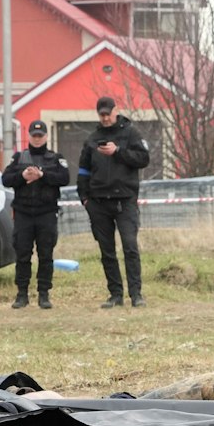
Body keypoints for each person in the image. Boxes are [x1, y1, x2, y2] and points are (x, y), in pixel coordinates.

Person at [78, 96, 152, 308]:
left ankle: (136, 294)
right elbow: (83, 171)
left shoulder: (131, 133)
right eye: (101, 115)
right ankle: (115, 294)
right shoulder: (92, 139)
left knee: (130, 246)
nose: (105, 118)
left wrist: (118, 152)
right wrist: (84, 198)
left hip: (125, 201)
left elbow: (143, 159)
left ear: (115, 111)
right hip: (98, 203)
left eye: (108, 114)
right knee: (106, 251)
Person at [1, 119, 70, 309]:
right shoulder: (18, 158)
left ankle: (44, 294)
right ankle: (22, 294)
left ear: (46, 137)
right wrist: (22, 177)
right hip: (23, 213)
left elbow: (64, 178)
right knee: (22, 254)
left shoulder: (55, 158)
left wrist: (42, 176)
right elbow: (5, 179)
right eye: (34, 136)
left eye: (40, 136)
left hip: (46, 213)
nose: (37, 139)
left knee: (45, 254)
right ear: (29, 136)